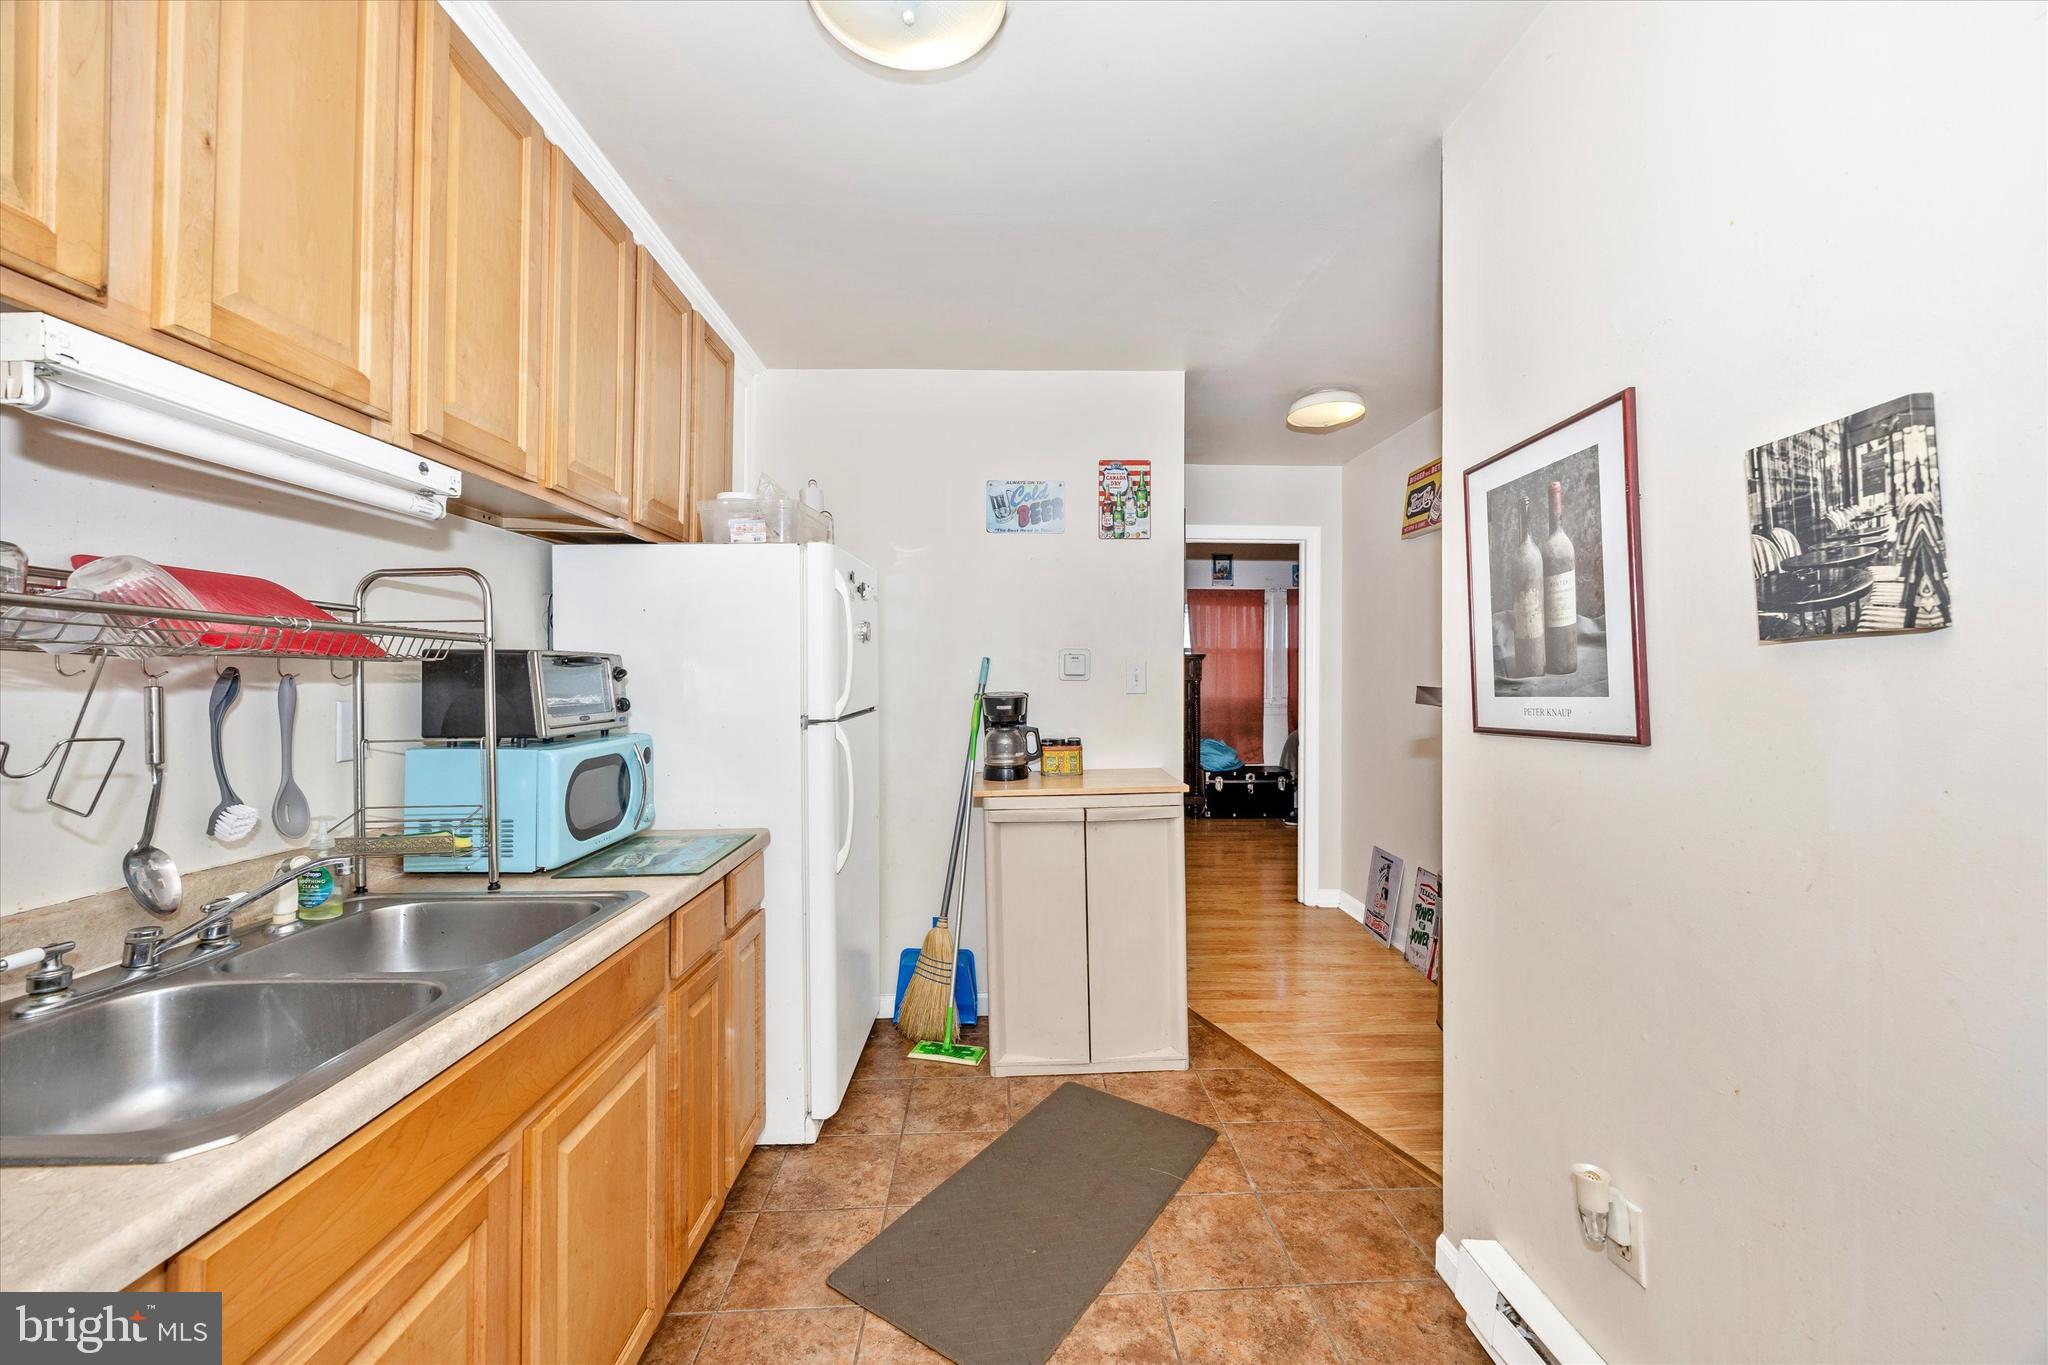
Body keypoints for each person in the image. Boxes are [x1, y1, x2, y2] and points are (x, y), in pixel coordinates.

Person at [1897, 467, 1950, 628]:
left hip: (1918, 549)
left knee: (1920, 581)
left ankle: (1910, 622)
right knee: (1929, 580)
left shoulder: (1910, 501)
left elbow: (1902, 527)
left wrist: (1902, 549)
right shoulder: (1929, 500)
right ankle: (1944, 617)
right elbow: (1938, 524)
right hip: (1927, 549)